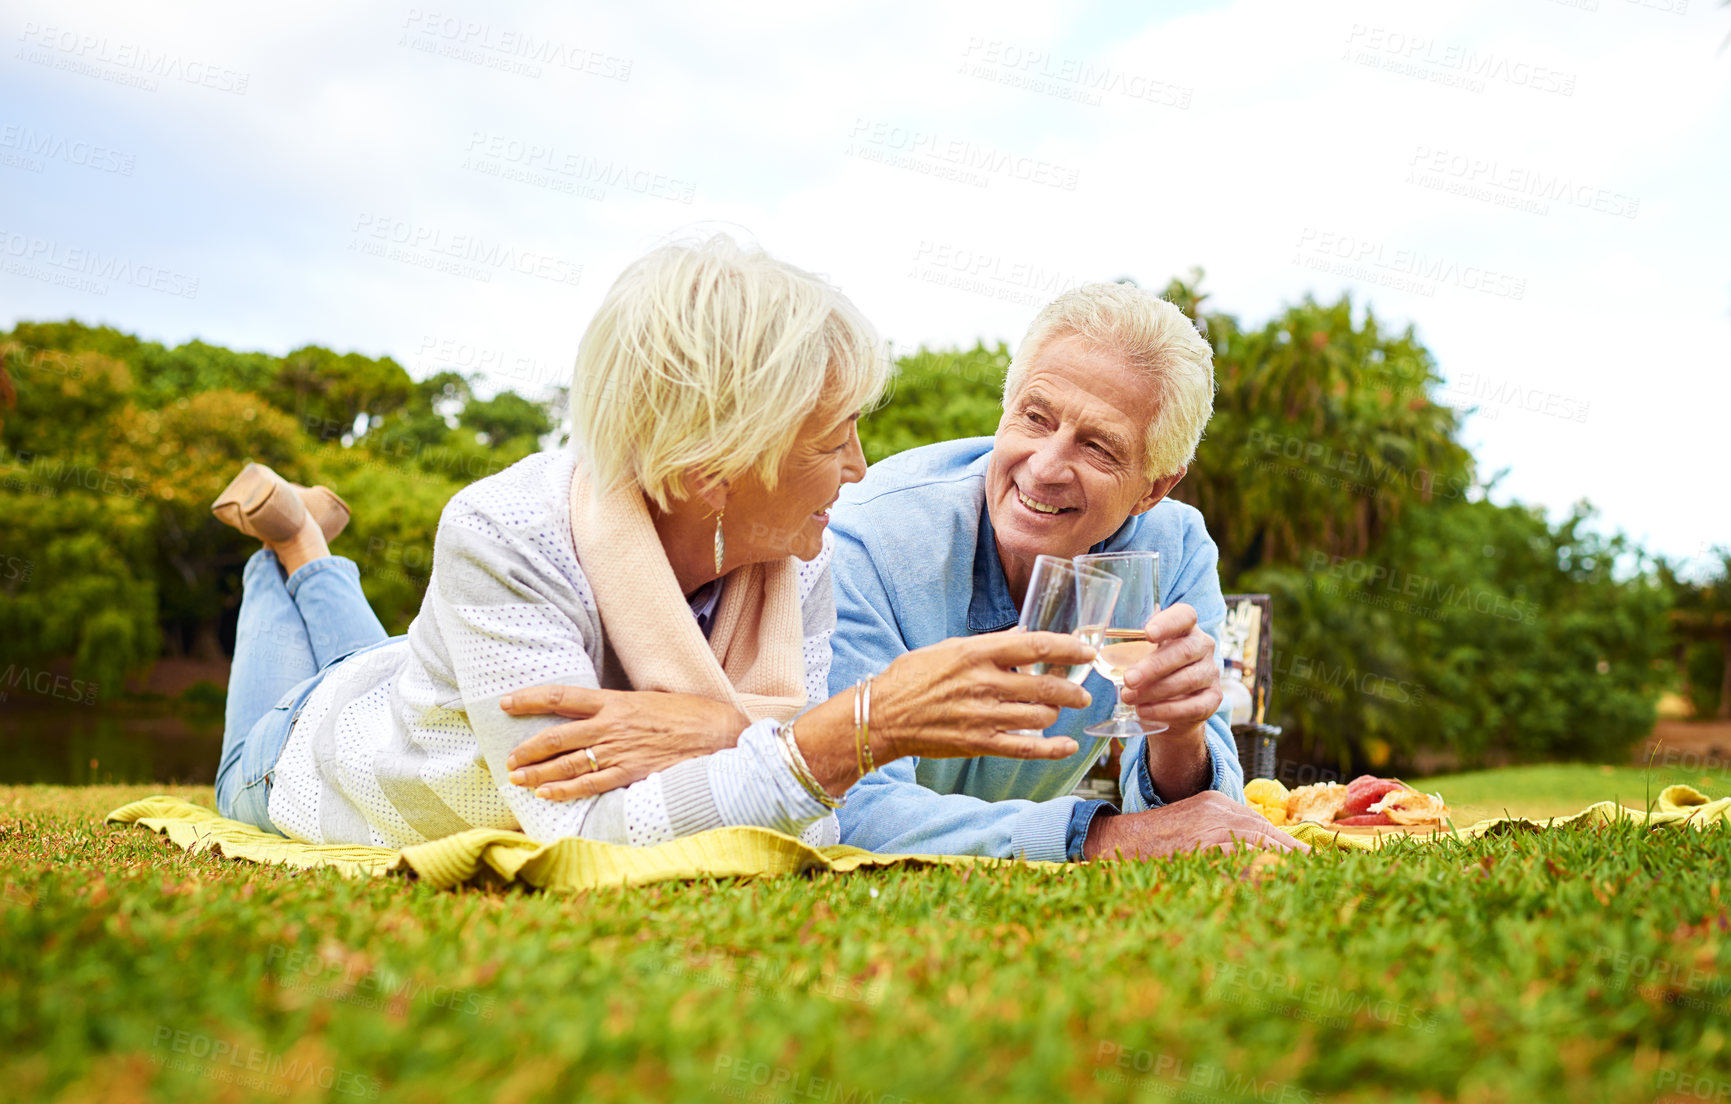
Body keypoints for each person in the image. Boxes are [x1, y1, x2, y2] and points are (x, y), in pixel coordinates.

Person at [210, 237, 1096, 849]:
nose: (859, 469)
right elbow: (588, 833)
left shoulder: (800, 556)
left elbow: (813, 822)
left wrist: (722, 728)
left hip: (422, 678)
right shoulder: (499, 531)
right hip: (306, 757)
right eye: (832, 442)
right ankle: (288, 542)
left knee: (383, 659)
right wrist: (850, 731)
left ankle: (308, 546)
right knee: (306, 694)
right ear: (718, 461)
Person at [821, 281, 1307, 862]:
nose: (1046, 466)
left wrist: (1180, 732)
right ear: (1005, 410)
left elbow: (1202, 821)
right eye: (1035, 418)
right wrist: (1095, 836)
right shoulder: (872, 532)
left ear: (1153, 487)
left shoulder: (1172, 548)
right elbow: (842, 806)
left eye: (1098, 446)